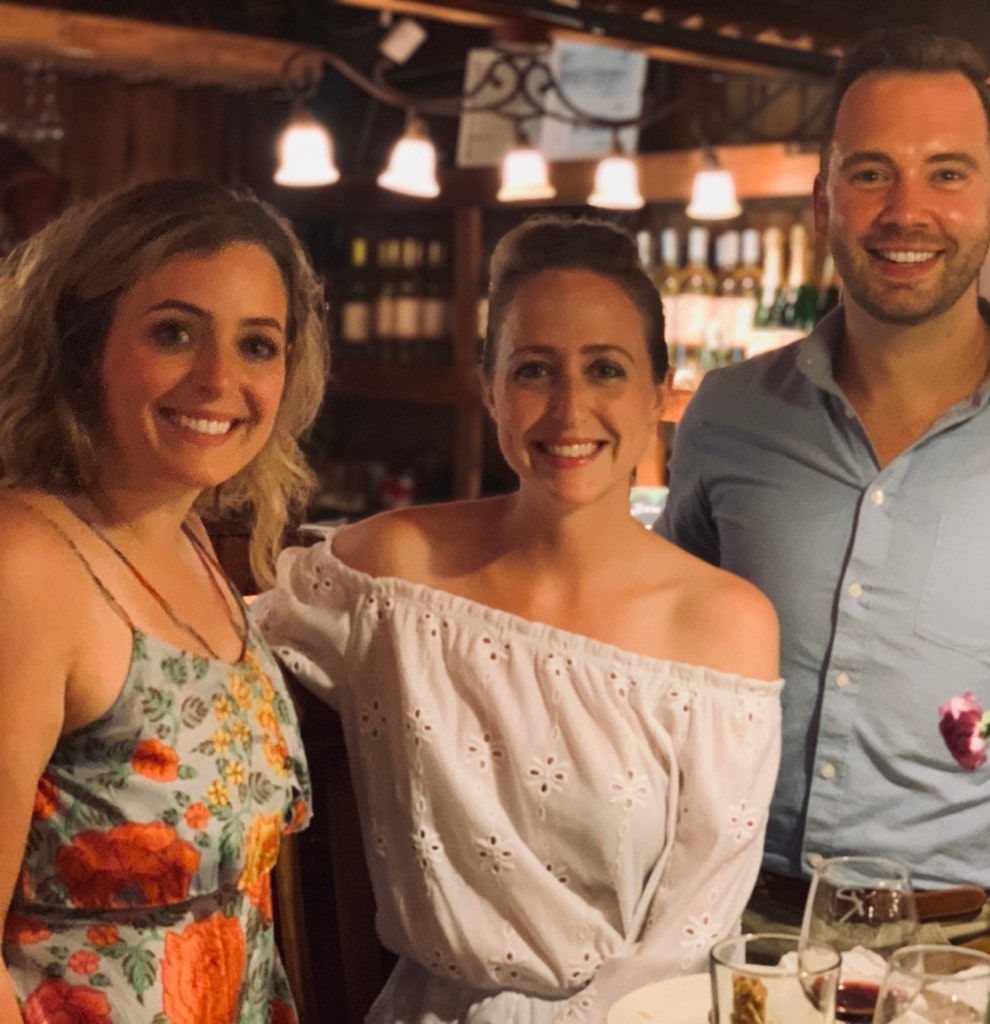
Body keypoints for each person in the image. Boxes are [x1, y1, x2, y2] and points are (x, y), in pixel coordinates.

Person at [255, 215, 782, 1023]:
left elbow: (693, 936)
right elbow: (204, 644)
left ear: (659, 393)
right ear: (489, 388)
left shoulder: (726, 625)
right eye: (535, 370)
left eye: (605, 369)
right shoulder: (392, 574)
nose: (570, 409)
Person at [655, 27, 990, 944]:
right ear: (824, 202)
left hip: (974, 948)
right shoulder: (728, 414)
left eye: (947, 173)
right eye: (870, 173)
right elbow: (657, 658)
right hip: (735, 928)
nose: (908, 210)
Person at [0, 178, 330, 1023]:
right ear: (82, 346)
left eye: (258, 345)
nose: (220, 379)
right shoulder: (26, 565)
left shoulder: (191, 542)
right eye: (175, 332)